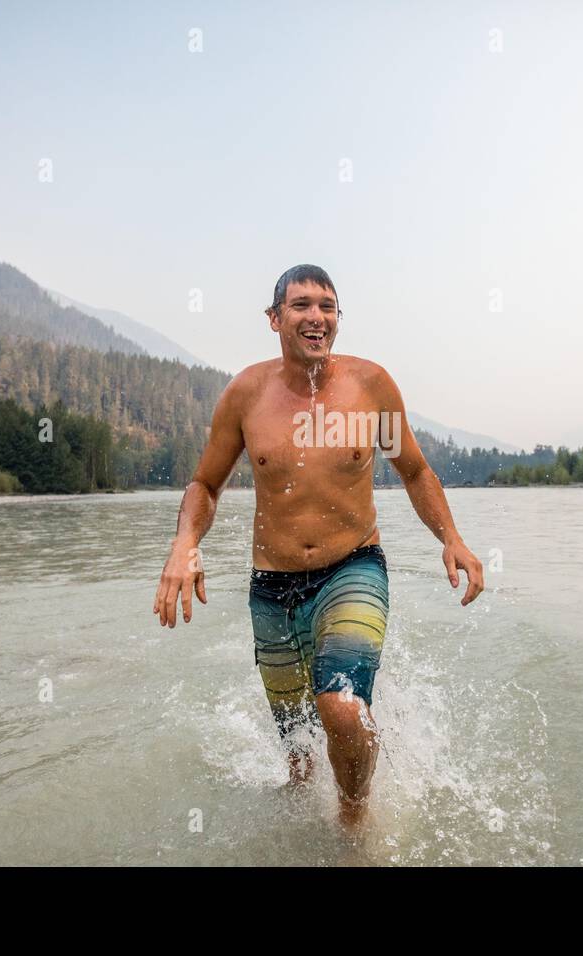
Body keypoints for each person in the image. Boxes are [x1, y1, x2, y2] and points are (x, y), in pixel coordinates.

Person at [153, 264, 483, 827]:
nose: (317, 317)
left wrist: (452, 538)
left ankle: (354, 824)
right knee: (299, 753)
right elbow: (205, 485)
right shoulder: (245, 396)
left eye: (327, 307)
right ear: (274, 317)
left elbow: (415, 471)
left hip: (353, 568)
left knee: (341, 707)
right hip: (272, 589)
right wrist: (184, 544)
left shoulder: (369, 386)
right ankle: (305, 817)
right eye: (302, 305)